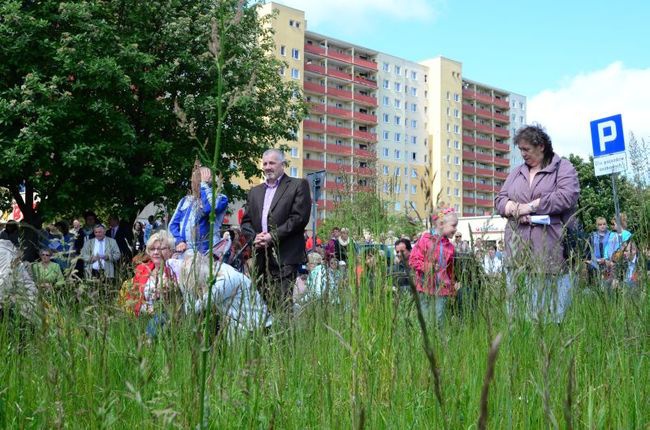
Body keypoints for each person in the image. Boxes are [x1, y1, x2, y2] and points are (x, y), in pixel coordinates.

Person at [495, 125, 579, 323]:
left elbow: (567, 196)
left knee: (550, 314)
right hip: (517, 254)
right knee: (517, 315)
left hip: (550, 251)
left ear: (541, 146)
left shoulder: (562, 167)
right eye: (520, 150)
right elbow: (499, 200)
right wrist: (514, 209)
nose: (523, 154)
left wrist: (531, 207)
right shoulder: (516, 173)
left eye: (526, 149)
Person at [240, 148, 311, 313]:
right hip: (260, 258)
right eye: (264, 163)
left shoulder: (297, 185)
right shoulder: (255, 192)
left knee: (281, 307)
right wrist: (254, 238)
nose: (267, 167)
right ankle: (266, 338)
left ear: (283, 165)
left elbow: (299, 218)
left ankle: (284, 339)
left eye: (272, 163)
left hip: (284, 257)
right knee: (261, 307)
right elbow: (246, 222)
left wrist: (273, 236)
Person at [409, 208, 460, 326]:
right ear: (441, 224)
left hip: (442, 290)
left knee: (439, 320)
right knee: (425, 320)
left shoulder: (450, 247)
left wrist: (452, 287)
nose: (456, 229)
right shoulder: (425, 240)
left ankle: (438, 342)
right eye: (453, 225)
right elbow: (413, 260)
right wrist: (428, 267)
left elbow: (450, 270)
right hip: (424, 288)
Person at [169, 166, 229, 255]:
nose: (194, 183)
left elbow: (210, 208)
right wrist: (179, 241)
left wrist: (204, 185)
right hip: (184, 253)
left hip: (207, 254)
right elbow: (173, 225)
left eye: (199, 179)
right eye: (194, 179)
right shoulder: (185, 201)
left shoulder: (221, 199)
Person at [586, 217, 613, 283]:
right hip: (595, 262)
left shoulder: (611, 235)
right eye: (600, 224)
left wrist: (606, 259)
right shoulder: (592, 236)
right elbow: (588, 250)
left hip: (607, 261)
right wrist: (589, 260)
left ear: (606, 225)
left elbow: (613, 248)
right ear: (597, 226)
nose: (602, 226)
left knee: (606, 282)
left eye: (604, 224)